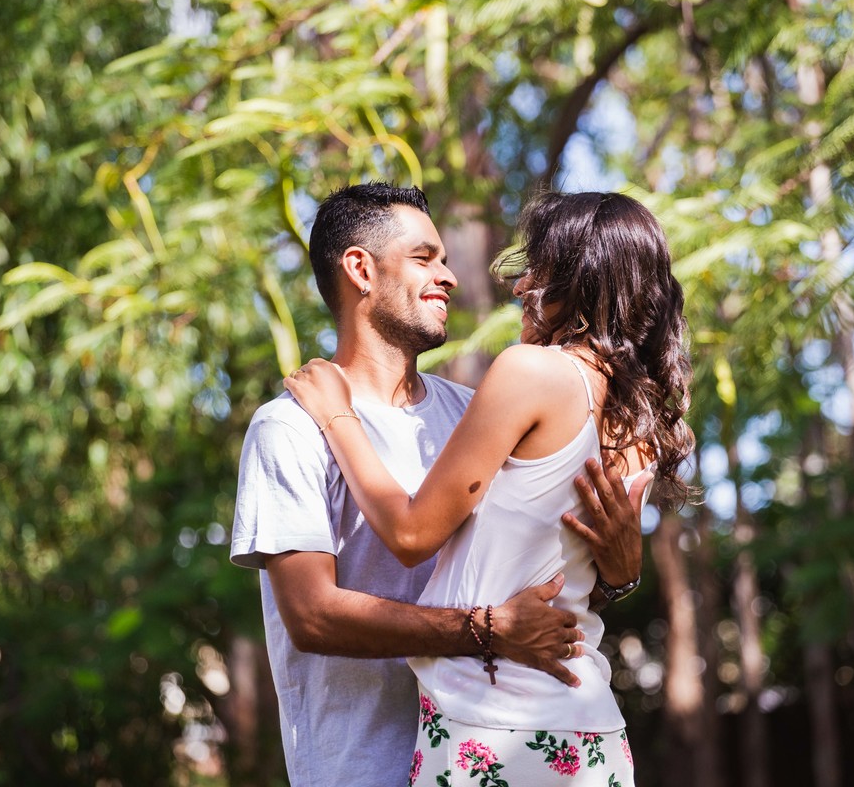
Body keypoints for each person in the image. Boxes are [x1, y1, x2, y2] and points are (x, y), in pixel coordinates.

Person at [230, 184, 653, 787]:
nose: (450, 277)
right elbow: (312, 617)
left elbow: (550, 584)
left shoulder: (475, 413)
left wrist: (622, 571)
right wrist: (484, 629)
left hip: (498, 747)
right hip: (361, 766)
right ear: (360, 269)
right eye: (425, 258)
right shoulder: (290, 427)